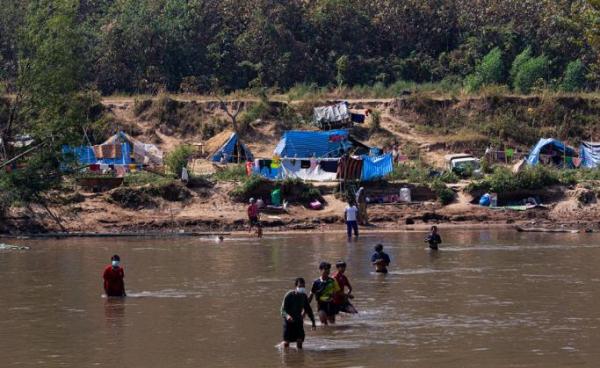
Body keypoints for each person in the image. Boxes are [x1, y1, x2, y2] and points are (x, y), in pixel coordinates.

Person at [280, 278, 316, 349]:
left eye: (303, 286)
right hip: (288, 322)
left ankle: (299, 357)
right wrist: (287, 316)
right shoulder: (289, 295)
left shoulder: (304, 296)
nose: (302, 288)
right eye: (300, 286)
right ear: (296, 286)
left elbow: (308, 310)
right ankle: (282, 348)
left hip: (298, 321)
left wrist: (313, 322)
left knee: (300, 342)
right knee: (286, 344)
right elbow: (282, 310)